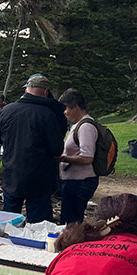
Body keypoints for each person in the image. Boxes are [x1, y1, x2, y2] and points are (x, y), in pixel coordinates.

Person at [0, 73, 66, 223]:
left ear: (27, 89)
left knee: (9, 223)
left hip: (12, 173)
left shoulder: (7, 111)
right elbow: (57, 148)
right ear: (45, 92)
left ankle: (6, 245)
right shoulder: (47, 114)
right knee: (39, 226)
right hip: (38, 177)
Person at [58, 88, 99, 224]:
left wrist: (63, 158)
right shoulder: (78, 125)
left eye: (66, 108)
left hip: (80, 181)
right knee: (69, 220)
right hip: (73, 180)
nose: (64, 112)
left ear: (75, 106)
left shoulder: (86, 126)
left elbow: (87, 158)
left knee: (72, 222)